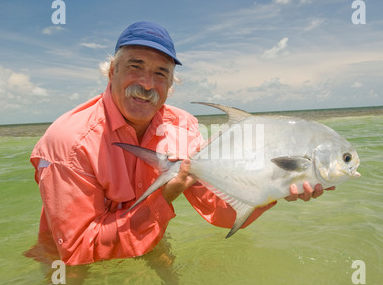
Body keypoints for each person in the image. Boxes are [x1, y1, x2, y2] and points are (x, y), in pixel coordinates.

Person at [28, 21, 331, 266]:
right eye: (135, 66)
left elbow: (219, 210)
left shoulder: (183, 126)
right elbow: (79, 247)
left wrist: (273, 186)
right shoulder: (68, 142)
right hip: (68, 258)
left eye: (160, 73)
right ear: (112, 71)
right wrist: (163, 199)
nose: (147, 84)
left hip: (149, 237)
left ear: (171, 85)